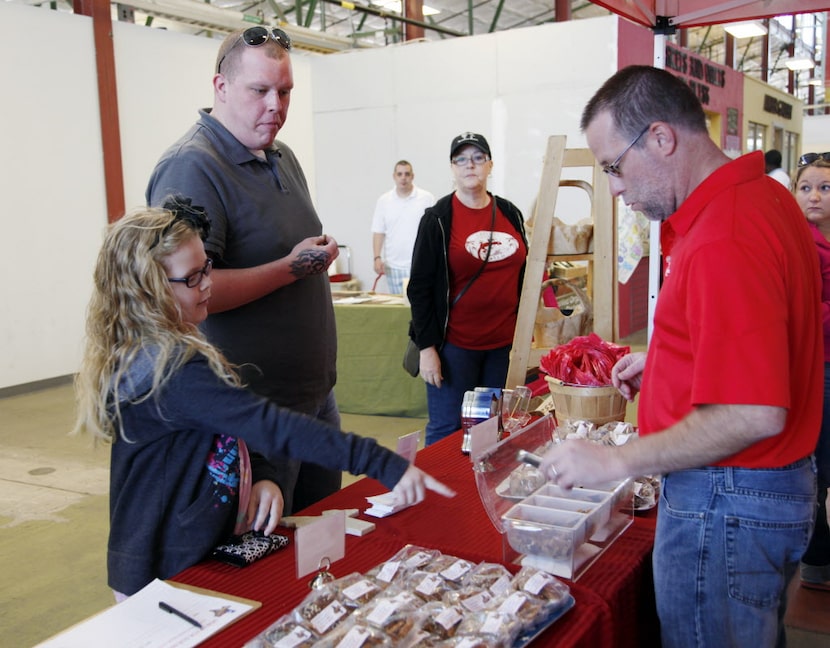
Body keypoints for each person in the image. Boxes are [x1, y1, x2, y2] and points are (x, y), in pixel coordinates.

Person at [538, 66, 822, 647]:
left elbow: (751, 412)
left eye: (614, 166)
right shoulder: (759, 197)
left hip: (728, 498)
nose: (614, 188)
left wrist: (617, 462)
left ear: (662, 138)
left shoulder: (726, 234)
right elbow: (764, 338)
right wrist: (670, 363)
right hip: (756, 494)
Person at [72, 202, 455, 599]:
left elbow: (224, 426)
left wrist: (263, 473)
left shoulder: (177, 347)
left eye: (207, 268)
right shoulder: (168, 369)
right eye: (192, 277)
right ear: (147, 291)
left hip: (197, 550)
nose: (207, 283)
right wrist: (380, 462)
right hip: (159, 571)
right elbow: (268, 425)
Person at [146, 27, 342, 515]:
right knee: (268, 564)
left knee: (324, 549)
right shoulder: (192, 167)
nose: (275, 105)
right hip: (253, 415)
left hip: (313, 399)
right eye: (260, 91)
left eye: (285, 91)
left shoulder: (281, 155)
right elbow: (181, 294)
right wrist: (291, 268)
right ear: (221, 87)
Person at [407, 132, 527, 446]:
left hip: (501, 347)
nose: (469, 165)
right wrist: (427, 348)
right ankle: (443, 493)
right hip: (454, 348)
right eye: (461, 159)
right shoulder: (438, 219)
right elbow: (419, 287)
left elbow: (525, 273)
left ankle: (479, 493)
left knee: (490, 429)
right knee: (447, 431)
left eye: (477, 158)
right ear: (452, 168)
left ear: (490, 165)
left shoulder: (510, 213)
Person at [794, 151, 830, 591]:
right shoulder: (797, 242)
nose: (814, 196)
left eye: (824, 187)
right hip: (817, 366)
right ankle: (817, 559)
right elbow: (801, 310)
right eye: (806, 187)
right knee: (818, 467)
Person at [371, 160, 435, 295]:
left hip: (420, 264)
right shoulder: (384, 201)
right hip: (394, 266)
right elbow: (378, 231)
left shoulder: (427, 198)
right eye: (399, 174)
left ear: (413, 176)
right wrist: (377, 257)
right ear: (394, 176)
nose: (403, 177)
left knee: (420, 307)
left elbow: (434, 231)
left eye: (407, 174)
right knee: (399, 311)